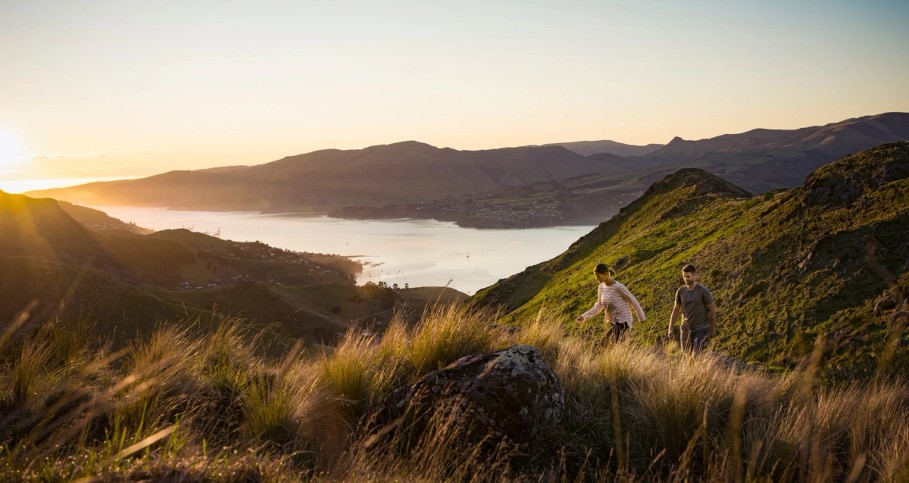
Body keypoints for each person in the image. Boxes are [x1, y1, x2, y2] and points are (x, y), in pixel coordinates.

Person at [576, 263, 646, 343]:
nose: (596, 278)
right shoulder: (601, 287)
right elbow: (599, 305)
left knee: (605, 341)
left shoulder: (619, 287)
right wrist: (584, 316)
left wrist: (642, 318)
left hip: (624, 321)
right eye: (596, 276)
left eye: (598, 276)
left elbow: (633, 300)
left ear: (606, 274)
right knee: (617, 344)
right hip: (613, 321)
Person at [667, 264, 716, 352]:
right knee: (686, 356)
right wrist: (670, 328)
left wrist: (712, 328)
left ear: (694, 275)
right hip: (685, 328)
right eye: (684, 276)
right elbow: (675, 310)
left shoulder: (703, 291)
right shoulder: (680, 291)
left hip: (700, 329)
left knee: (696, 355)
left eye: (688, 276)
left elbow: (712, 309)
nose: (686, 279)